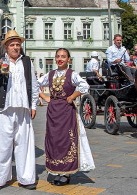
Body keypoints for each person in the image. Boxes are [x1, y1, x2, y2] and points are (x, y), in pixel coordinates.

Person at [0, 30, 39, 190]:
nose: (15, 47)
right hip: (4, 109)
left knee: (24, 145)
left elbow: (33, 85)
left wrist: (33, 105)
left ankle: (26, 178)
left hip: (23, 109)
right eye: (12, 44)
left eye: (18, 44)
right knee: (2, 146)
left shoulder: (26, 62)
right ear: (6, 46)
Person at [38, 48, 95, 186]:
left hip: (67, 112)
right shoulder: (50, 74)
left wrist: (72, 96)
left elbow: (84, 86)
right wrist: (45, 97)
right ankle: (56, 170)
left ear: (69, 59)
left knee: (66, 140)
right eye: (58, 56)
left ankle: (65, 172)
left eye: (63, 56)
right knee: (54, 140)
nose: (60, 59)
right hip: (53, 112)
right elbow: (35, 84)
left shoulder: (72, 74)